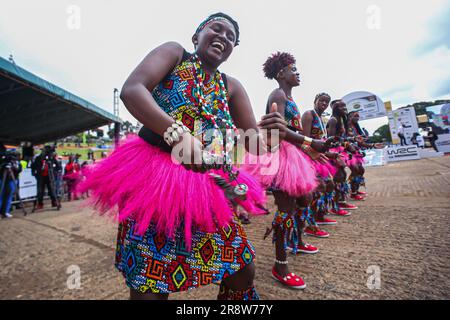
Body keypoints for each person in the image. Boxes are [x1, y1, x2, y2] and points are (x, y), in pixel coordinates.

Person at [77, 13, 287, 300]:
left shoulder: (232, 87)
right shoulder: (176, 55)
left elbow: (256, 144)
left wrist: (275, 134)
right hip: (153, 183)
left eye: (231, 38)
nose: (223, 37)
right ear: (196, 35)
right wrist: (176, 133)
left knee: (242, 272)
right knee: (150, 284)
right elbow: (132, 90)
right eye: (217, 29)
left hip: (209, 187)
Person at [242, 52, 335, 289]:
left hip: (294, 156)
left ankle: (299, 240)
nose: (298, 72)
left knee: (305, 200)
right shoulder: (278, 95)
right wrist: (310, 143)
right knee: (286, 209)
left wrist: (312, 150)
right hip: (280, 158)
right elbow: (279, 132)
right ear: (281, 73)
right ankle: (280, 265)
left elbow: (291, 132)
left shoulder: (289, 98)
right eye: (293, 69)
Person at [302, 93, 341, 225]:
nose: (324, 104)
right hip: (309, 157)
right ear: (315, 101)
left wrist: (331, 154)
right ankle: (311, 223)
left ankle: (320, 215)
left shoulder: (321, 119)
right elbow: (305, 140)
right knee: (319, 187)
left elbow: (322, 141)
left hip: (319, 158)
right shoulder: (309, 115)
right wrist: (314, 153)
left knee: (329, 184)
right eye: (322, 101)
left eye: (326, 102)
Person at [31, 146, 61, 210]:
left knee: (51, 190)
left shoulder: (51, 158)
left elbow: (58, 166)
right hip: (41, 176)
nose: (44, 152)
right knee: (40, 191)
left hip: (49, 176)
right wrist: (34, 173)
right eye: (43, 151)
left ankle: (54, 202)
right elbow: (33, 166)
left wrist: (54, 171)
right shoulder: (38, 158)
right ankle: (40, 204)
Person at [0, 151, 22, 218]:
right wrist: (5, 166)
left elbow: (19, 170)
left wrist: (14, 167)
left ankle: (6, 211)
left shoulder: (17, 163)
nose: (15, 157)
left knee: (9, 196)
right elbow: (1, 168)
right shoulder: (4, 162)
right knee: (1, 195)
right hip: (3, 180)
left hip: (12, 180)